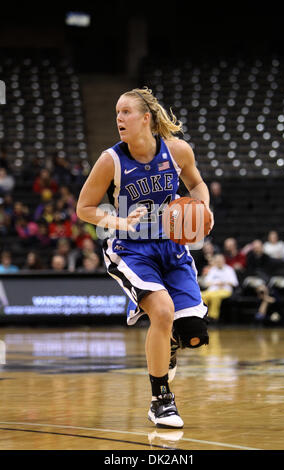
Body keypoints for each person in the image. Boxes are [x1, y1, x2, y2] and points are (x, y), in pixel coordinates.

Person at [76, 87, 214, 429]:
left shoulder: (178, 150)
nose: (119, 119)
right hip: (130, 248)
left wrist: (202, 210)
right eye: (117, 113)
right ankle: (161, 400)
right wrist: (118, 220)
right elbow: (85, 208)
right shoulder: (111, 160)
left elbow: (196, 186)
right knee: (163, 311)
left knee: (194, 334)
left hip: (171, 246)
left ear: (145, 118)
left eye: (126, 112)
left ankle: (166, 346)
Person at [201, 254, 239, 322]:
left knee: (214, 297)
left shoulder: (229, 269)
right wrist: (215, 283)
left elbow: (234, 283)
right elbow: (206, 282)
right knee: (202, 295)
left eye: (220, 261)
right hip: (212, 290)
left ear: (224, 261)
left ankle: (213, 317)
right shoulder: (212, 270)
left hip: (225, 290)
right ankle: (203, 315)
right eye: (217, 261)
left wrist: (224, 283)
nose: (219, 262)